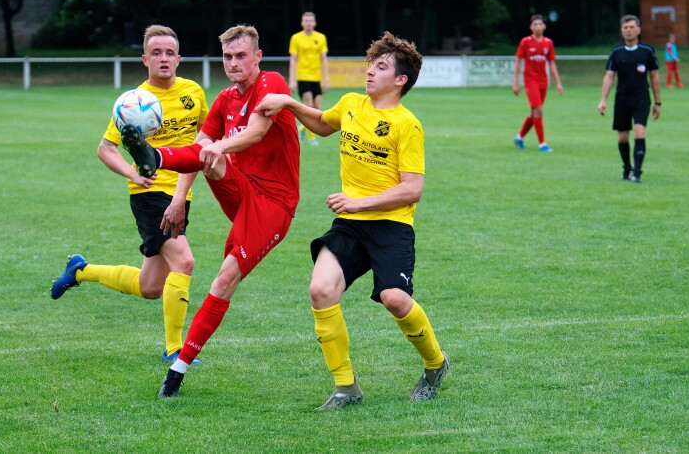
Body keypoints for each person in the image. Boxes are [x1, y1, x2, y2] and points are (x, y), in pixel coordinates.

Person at [255, 31, 449, 410]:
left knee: (395, 299)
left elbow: (412, 189)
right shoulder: (350, 104)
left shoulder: (407, 124)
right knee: (320, 289)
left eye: (381, 67)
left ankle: (435, 364)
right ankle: (346, 387)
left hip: (392, 226)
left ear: (400, 80)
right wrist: (289, 103)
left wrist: (360, 203)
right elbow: (323, 125)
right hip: (351, 223)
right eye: (370, 65)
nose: (370, 73)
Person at [118, 24, 300, 398]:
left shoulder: (273, 83)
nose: (233, 64)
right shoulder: (224, 99)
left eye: (240, 56)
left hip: (274, 204)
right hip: (241, 190)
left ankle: (178, 368)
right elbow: (199, 147)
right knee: (205, 155)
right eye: (228, 57)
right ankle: (154, 155)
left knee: (223, 280)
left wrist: (218, 145)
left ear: (257, 57)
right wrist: (174, 182)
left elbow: (256, 132)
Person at [51, 25, 208, 363]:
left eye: (169, 53)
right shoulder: (133, 102)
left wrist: (182, 195)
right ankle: (174, 349)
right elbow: (105, 148)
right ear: (144, 59)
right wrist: (132, 173)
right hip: (150, 195)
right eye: (156, 53)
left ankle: (80, 270)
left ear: (179, 58)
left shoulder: (193, 92)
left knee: (151, 286)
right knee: (185, 261)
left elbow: (202, 142)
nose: (163, 59)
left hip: (181, 193)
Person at [598, 15, 661, 183]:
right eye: (625, 28)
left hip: (641, 98)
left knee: (639, 132)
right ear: (622, 30)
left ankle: (637, 172)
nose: (629, 30)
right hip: (622, 99)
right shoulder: (616, 52)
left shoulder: (647, 51)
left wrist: (658, 102)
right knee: (623, 138)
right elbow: (609, 76)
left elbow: (654, 76)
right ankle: (627, 167)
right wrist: (603, 100)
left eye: (632, 27)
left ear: (639, 30)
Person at [512, 15, 563, 152]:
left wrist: (558, 83)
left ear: (544, 26)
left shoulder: (548, 43)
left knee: (534, 111)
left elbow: (552, 64)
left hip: (543, 81)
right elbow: (518, 62)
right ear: (531, 27)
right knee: (538, 110)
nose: (538, 26)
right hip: (530, 80)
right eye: (535, 24)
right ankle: (542, 144)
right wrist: (516, 83)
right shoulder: (525, 42)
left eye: (540, 24)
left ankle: (519, 137)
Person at [289, 11, 329, 146]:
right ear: (302, 23)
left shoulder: (321, 37)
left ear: (315, 23)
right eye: (306, 20)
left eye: (311, 20)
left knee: (318, 109)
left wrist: (326, 79)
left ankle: (302, 128)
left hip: (316, 77)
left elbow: (324, 59)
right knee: (309, 105)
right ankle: (312, 138)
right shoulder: (296, 38)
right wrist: (293, 80)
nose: (308, 23)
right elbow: (293, 60)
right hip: (302, 76)